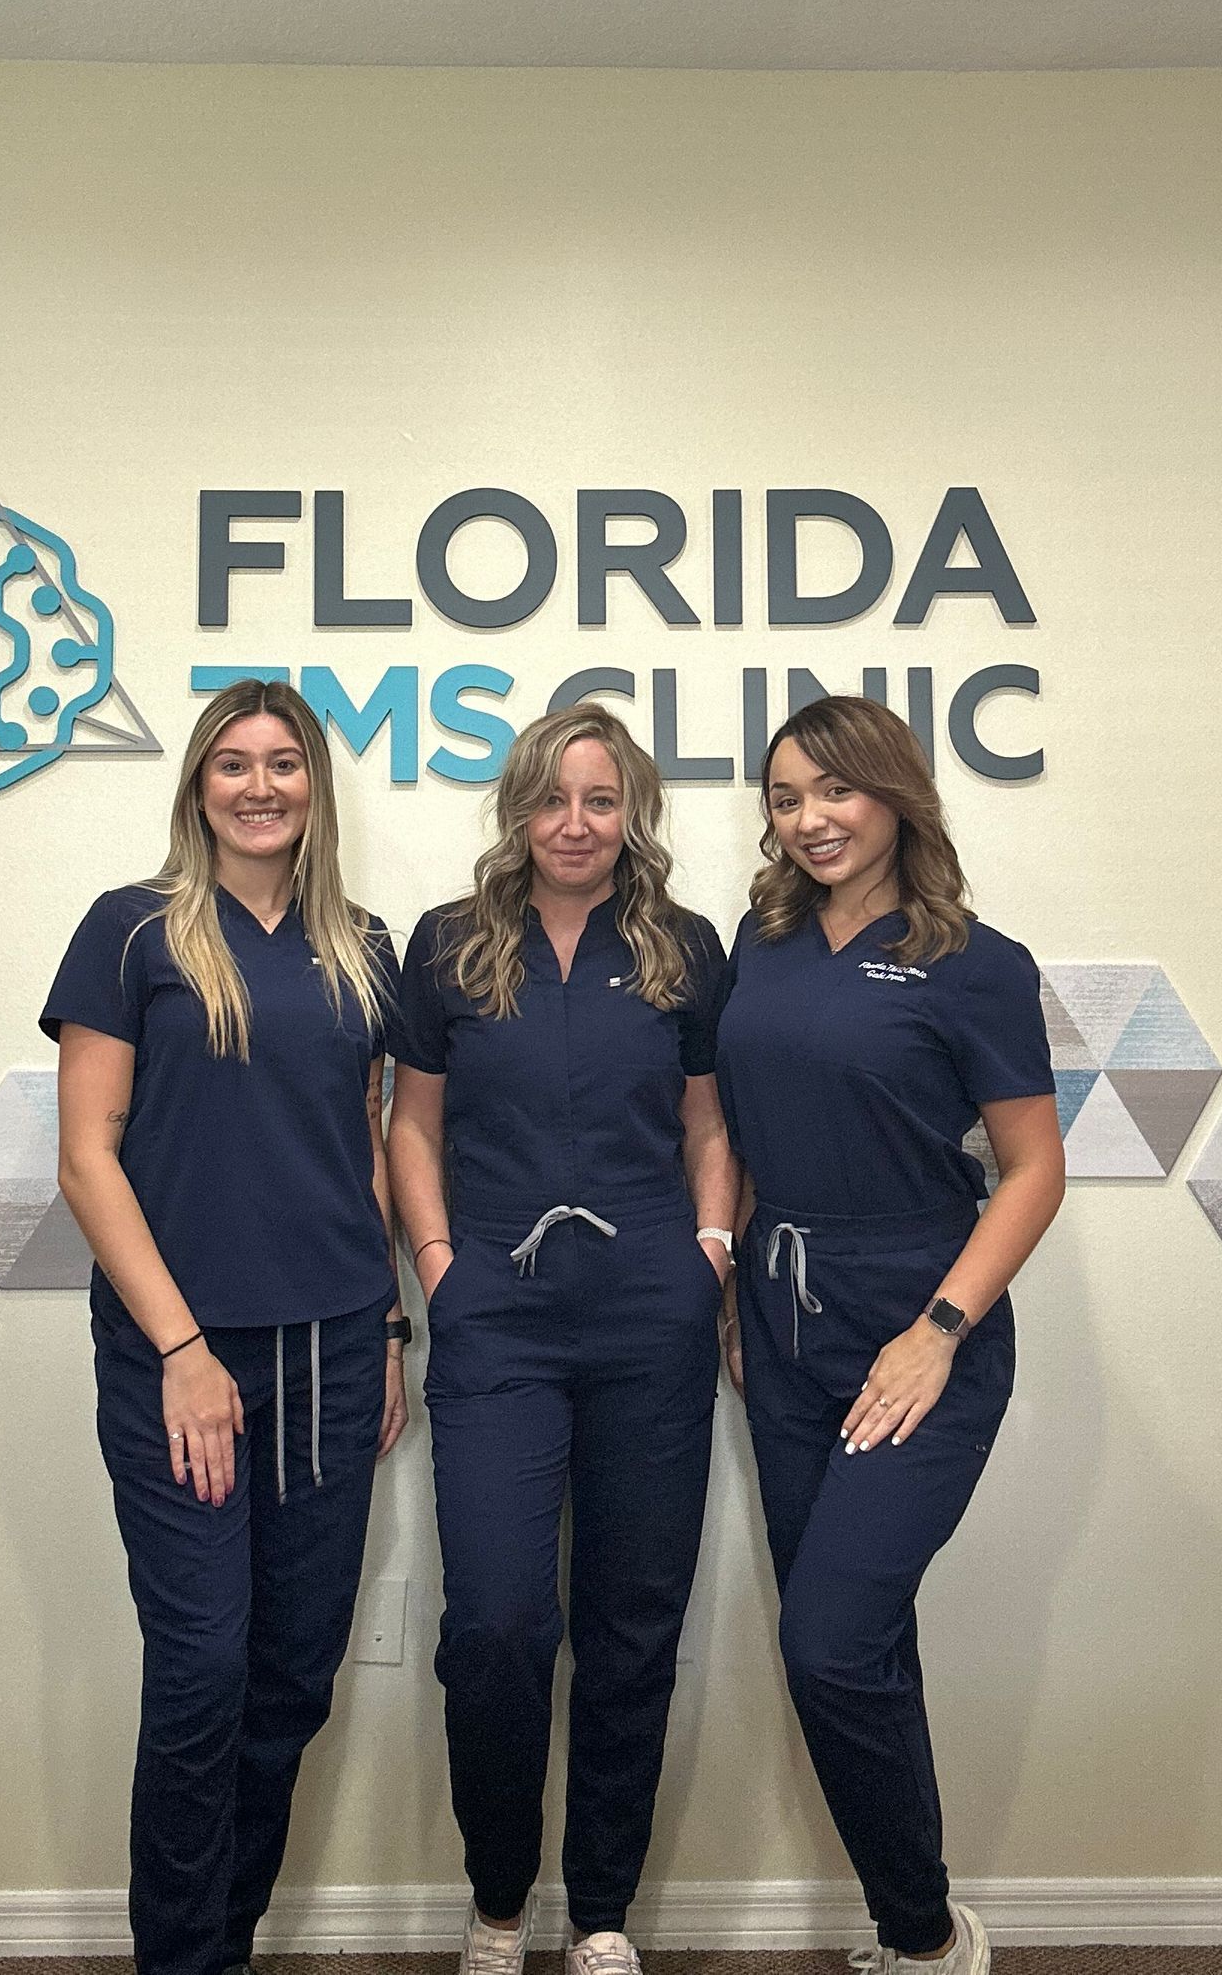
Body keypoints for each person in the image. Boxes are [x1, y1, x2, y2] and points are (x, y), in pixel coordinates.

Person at [43, 676, 408, 1975]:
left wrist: (386, 1335)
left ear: (315, 785)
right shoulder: (134, 933)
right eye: (233, 765)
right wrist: (184, 1353)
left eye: (285, 764)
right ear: (197, 786)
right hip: (180, 1356)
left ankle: (221, 1948)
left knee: (292, 1683)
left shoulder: (364, 946)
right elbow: (88, 1156)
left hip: (332, 1342)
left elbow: (364, 1145)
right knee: (202, 1673)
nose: (261, 787)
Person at [715, 695, 1064, 1975]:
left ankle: (923, 1936)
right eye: (784, 797)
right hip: (783, 1321)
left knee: (829, 1642)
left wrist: (939, 1331)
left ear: (896, 796)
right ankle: (922, 1935)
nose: (808, 819)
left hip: (918, 1324)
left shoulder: (976, 960)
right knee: (860, 1645)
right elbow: (746, 1136)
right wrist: (737, 1297)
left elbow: (1031, 1170)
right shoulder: (763, 944)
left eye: (833, 792)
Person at [388, 703, 738, 1975]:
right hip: (499, 1313)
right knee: (495, 1624)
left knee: (633, 1623)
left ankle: (598, 1911)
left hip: (654, 1310)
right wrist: (439, 1266)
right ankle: (496, 1900)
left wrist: (707, 1254)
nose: (575, 825)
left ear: (630, 809)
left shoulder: (686, 948)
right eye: (552, 799)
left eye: (600, 800)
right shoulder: (448, 946)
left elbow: (711, 1125)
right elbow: (411, 1126)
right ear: (517, 809)